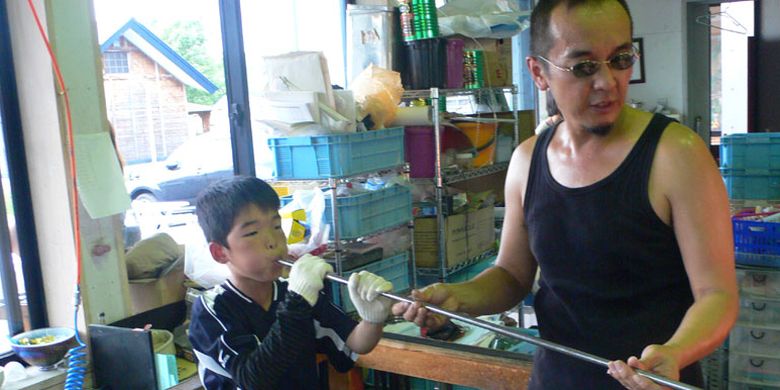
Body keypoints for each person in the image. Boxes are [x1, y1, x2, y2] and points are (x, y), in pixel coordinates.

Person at [393, 0, 738, 389]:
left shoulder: (676, 155)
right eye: (584, 67)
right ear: (539, 72)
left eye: (621, 59)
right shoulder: (527, 162)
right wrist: (456, 299)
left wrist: (677, 351)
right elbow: (511, 275)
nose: (608, 82)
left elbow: (717, 295)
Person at [189, 176, 392, 389]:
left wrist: (372, 319)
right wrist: (298, 302)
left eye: (276, 226)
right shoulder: (213, 309)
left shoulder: (293, 293)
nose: (273, 241)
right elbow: (252, 380)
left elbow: (357, 342)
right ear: (220, 252)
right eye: (252, 232)